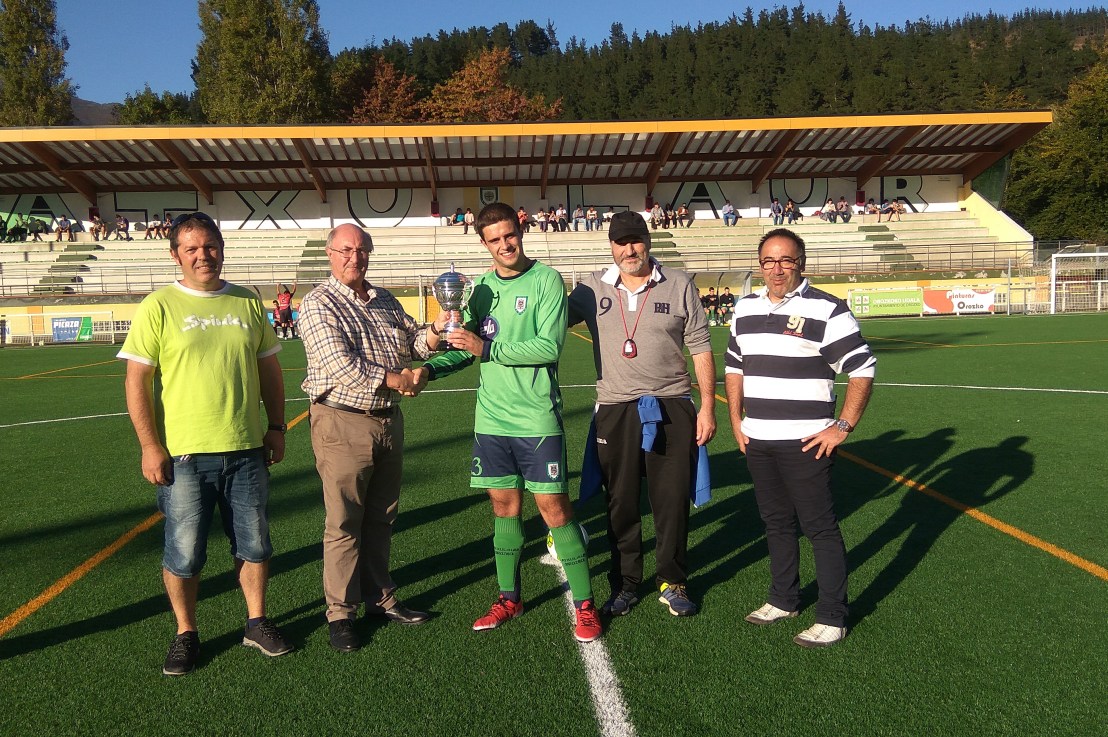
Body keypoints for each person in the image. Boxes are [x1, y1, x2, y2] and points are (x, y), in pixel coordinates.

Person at [118, 212, 293, 676]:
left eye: (210, 245)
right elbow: (137, 380)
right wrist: (149, 445)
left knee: (255, 544)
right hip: (184, 456)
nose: (203, 255)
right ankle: (186, 632)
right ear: (174, 254)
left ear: (222, 247)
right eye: (191, 248)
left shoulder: (246, 301)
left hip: (246, 450)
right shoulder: (159, 305)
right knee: (185, 551)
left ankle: (256, 622)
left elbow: (269, 371)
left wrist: (276, 425)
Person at [419, 201, 601, 643]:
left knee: (554, 510)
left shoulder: (547, 281)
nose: (505, 245)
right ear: (483, 243)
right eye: (494, 240)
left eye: (509, 235)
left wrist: (487, 350)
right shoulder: (479, 288)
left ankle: (585, 606)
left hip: (537, 418)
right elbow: (468, 346)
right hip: (492, 418)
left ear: (520, 231)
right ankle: (509, 597)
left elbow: (547, 347)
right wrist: (428, 370)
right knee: (504, 508)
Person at [298, 223, 447, 653]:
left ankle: (380, 597)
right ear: (330, 253)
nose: (354, 257)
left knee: (382, 515)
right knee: (344, 521)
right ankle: (340, 614)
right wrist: (397, 379)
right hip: (342, 420)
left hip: (386, 420)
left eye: (361, 250)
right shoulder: (318, 303)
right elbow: (340, 365)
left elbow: (415, 342)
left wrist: (438, 327)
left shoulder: (382, 299)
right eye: (345, 250)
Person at [724, 227, 876, 648]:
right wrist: (737, 420)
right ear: (760, 265)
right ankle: (784, 598)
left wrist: (843, 425)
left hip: (807, 441)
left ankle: (832, 615)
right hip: (757, 438)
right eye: (769, 261)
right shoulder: (745, 307)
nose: (777, 269)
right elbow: (735, 366)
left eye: (786, 260)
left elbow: (862, 368)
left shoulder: (828, 309)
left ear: (801, 263)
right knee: (775, 523)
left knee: (819, 527)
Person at [568, 210, 716, 618]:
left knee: (670, 501)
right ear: (611, 245)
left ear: (647, 241)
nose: (629, 249)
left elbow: (701, 347)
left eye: (636, 240)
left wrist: (706, 407)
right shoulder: (590, 288)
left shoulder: (680, 283)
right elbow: (548, 321)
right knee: (620, 502)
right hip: (615, 408)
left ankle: (672, 579)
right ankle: (625, 583)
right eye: (621, 242)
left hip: (671, 404)